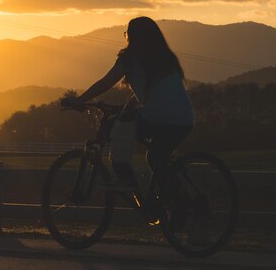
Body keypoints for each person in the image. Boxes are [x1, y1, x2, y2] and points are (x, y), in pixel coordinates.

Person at [63, 16, 194, 200]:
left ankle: (124, 179)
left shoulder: (129, 58)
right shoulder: (166, 58)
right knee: (156, 158)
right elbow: (152, 91)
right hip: (184, 119)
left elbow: (105, 83)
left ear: (132, 37)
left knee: (119, 129)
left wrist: (80, 100)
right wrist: (127, 107)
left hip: (160, 117)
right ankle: (177, 204)